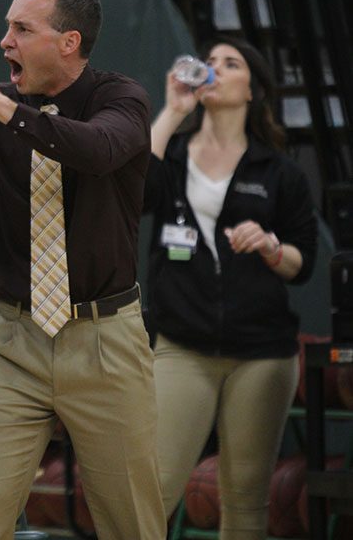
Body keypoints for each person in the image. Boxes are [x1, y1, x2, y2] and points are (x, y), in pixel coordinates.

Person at [0, 0, 165, 539]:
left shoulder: (121, 98)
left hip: (104, 340)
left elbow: (96, 151)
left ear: (69, 42)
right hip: (14, 338)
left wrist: (4, 109)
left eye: (21, 29)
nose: (4, 42)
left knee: (132, 524)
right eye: (6, 28)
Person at [144, 36, 317, 537]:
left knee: (244, 502)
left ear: (253, 90)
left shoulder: (278, 171)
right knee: (150, 492)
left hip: (262, 354)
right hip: (182, 347)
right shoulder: (173, 155)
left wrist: (270, 246)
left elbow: (302, 262)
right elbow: (132, 192)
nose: (215, 69)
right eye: (209, 61)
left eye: (231, 63)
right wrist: (173, 110)